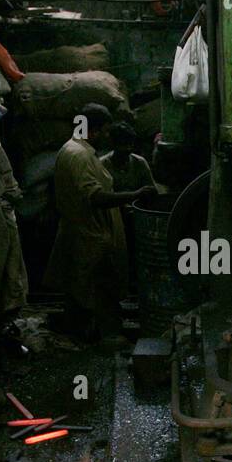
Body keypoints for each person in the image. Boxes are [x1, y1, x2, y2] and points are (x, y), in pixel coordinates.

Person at [43, 103, 152, 339]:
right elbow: (94, 197)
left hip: (90, 232)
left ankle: (84, 333)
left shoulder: (78, 150)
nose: (107, 137)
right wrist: (134, 195)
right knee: (92, 290)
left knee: (82, 288)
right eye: (104, 131)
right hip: (91, 234)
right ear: (92, 130)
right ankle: (92, 338)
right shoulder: (80, 155)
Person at [100, 121, 158, 292]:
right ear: (113, 145)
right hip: (113, 218)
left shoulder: (139, 163)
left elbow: (150, 190)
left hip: (136, 217)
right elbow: (102, 198)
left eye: (129, 145)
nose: (126, 149)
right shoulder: (102, 165)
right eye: (122, 145)